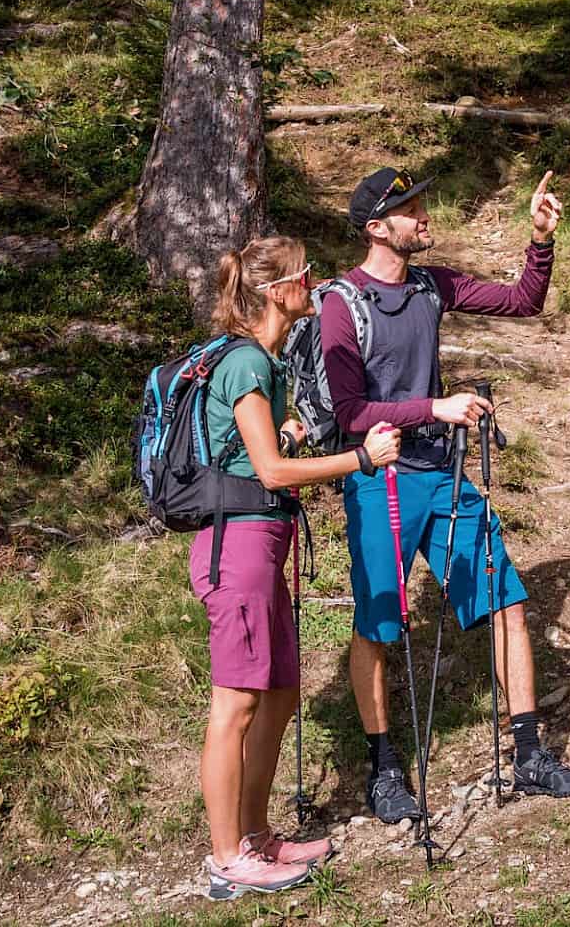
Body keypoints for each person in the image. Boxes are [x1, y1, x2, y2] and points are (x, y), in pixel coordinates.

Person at [320, 167, 570, 825]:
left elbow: (523, 301)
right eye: (410, 208)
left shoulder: (429, 285)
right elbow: (350, 410)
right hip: (378, 479)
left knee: (506, 601)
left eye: (420, 203)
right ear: (376, 228)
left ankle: (530, 756)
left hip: (445, 478)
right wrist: (434, 408)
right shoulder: (342, 304)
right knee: (377, 628)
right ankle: (385, 768)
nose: (424, 214)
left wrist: (541, 239)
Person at [192, 236, 402, 898]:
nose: (313, 283)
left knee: (280, 694)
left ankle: (255, 834)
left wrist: (293, 430)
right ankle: (227, 857)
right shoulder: (248, 361)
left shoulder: (263, 361)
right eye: (306, 275)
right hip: (240, 547)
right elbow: (271, 471)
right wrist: (361, 459)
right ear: (280, 291)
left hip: (264, 542)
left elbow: (261, 448)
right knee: (236, 704)